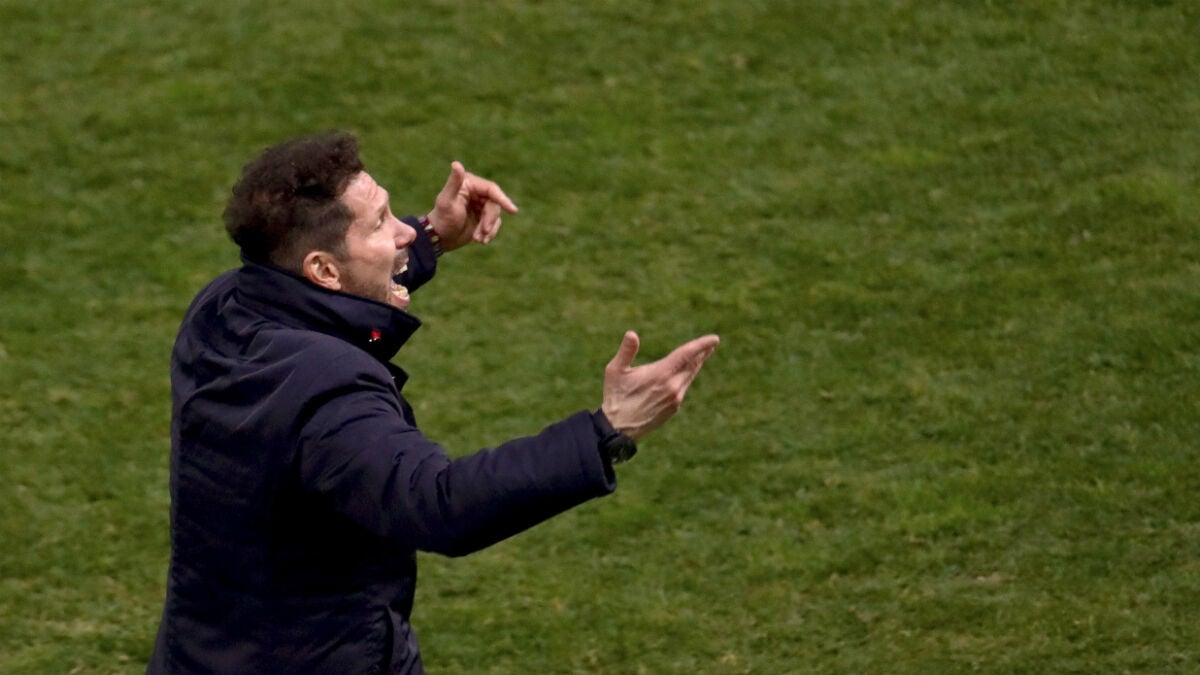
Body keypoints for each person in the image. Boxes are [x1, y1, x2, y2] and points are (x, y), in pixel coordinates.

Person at [147, 131, 719, 673]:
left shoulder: (222, 309)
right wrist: (609, 429)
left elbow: (325, 299)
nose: (405, 232)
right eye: (381, 224)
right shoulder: (329, 392)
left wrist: (435, 236)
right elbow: (441, 503)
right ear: (321, 268)